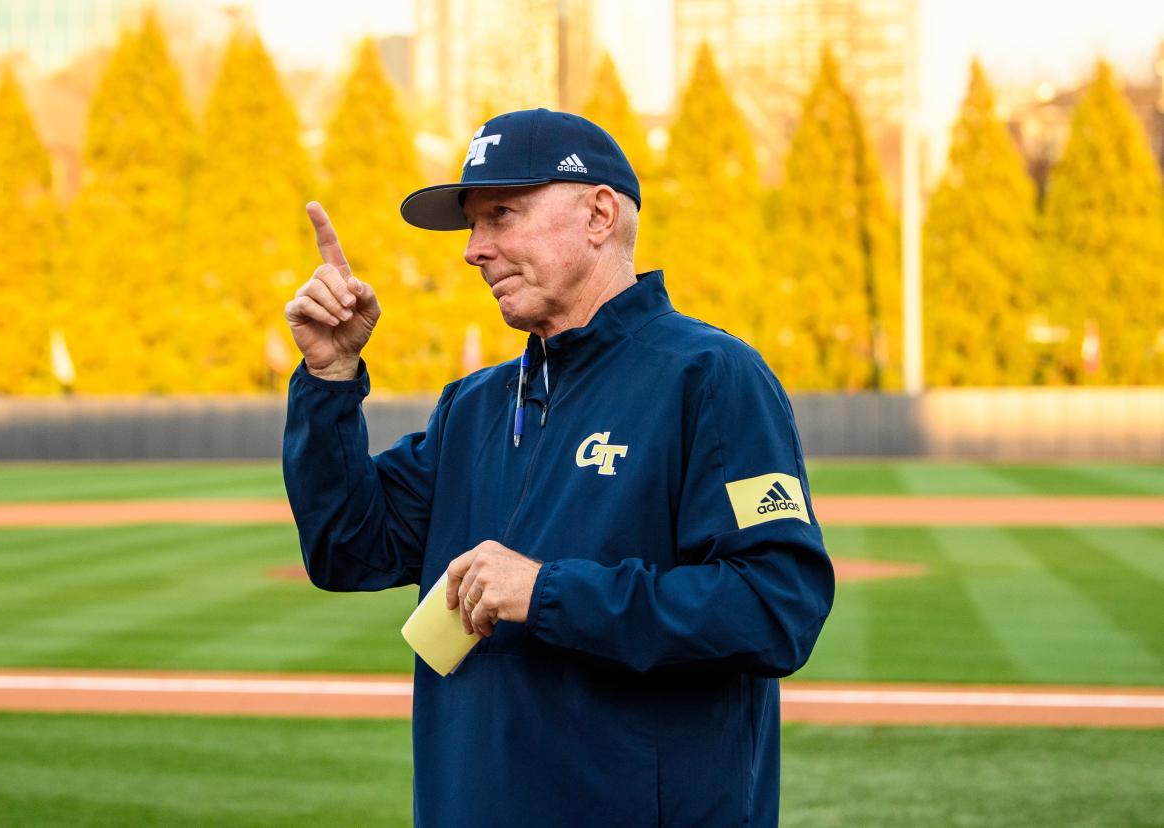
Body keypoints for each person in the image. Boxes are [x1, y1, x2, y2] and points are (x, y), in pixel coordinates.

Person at [282, 108, 834, 827]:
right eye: (473, 226)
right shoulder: (474, 406)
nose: (474, 250)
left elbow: (774, 608)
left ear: (599, 215)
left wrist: (548, 592)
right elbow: (344, 550)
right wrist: (329, 381)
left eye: (501, 215)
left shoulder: (712, 377)